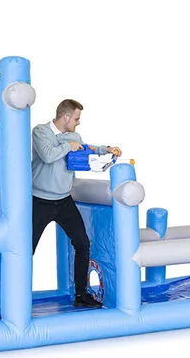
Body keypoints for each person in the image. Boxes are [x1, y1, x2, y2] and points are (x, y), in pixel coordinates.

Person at [31, 99, 122, 308]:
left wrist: (105, 149)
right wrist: (67, 146)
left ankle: (81, 295)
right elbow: (47, 155)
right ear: (66, 117)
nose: (78, 122)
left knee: (83, 244)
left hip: (64, 200)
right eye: (76, 118)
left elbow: (84, 148)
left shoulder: (74, 136)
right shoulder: (41, 131)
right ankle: (16, 299)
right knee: (27, 250)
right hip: (40, 200)